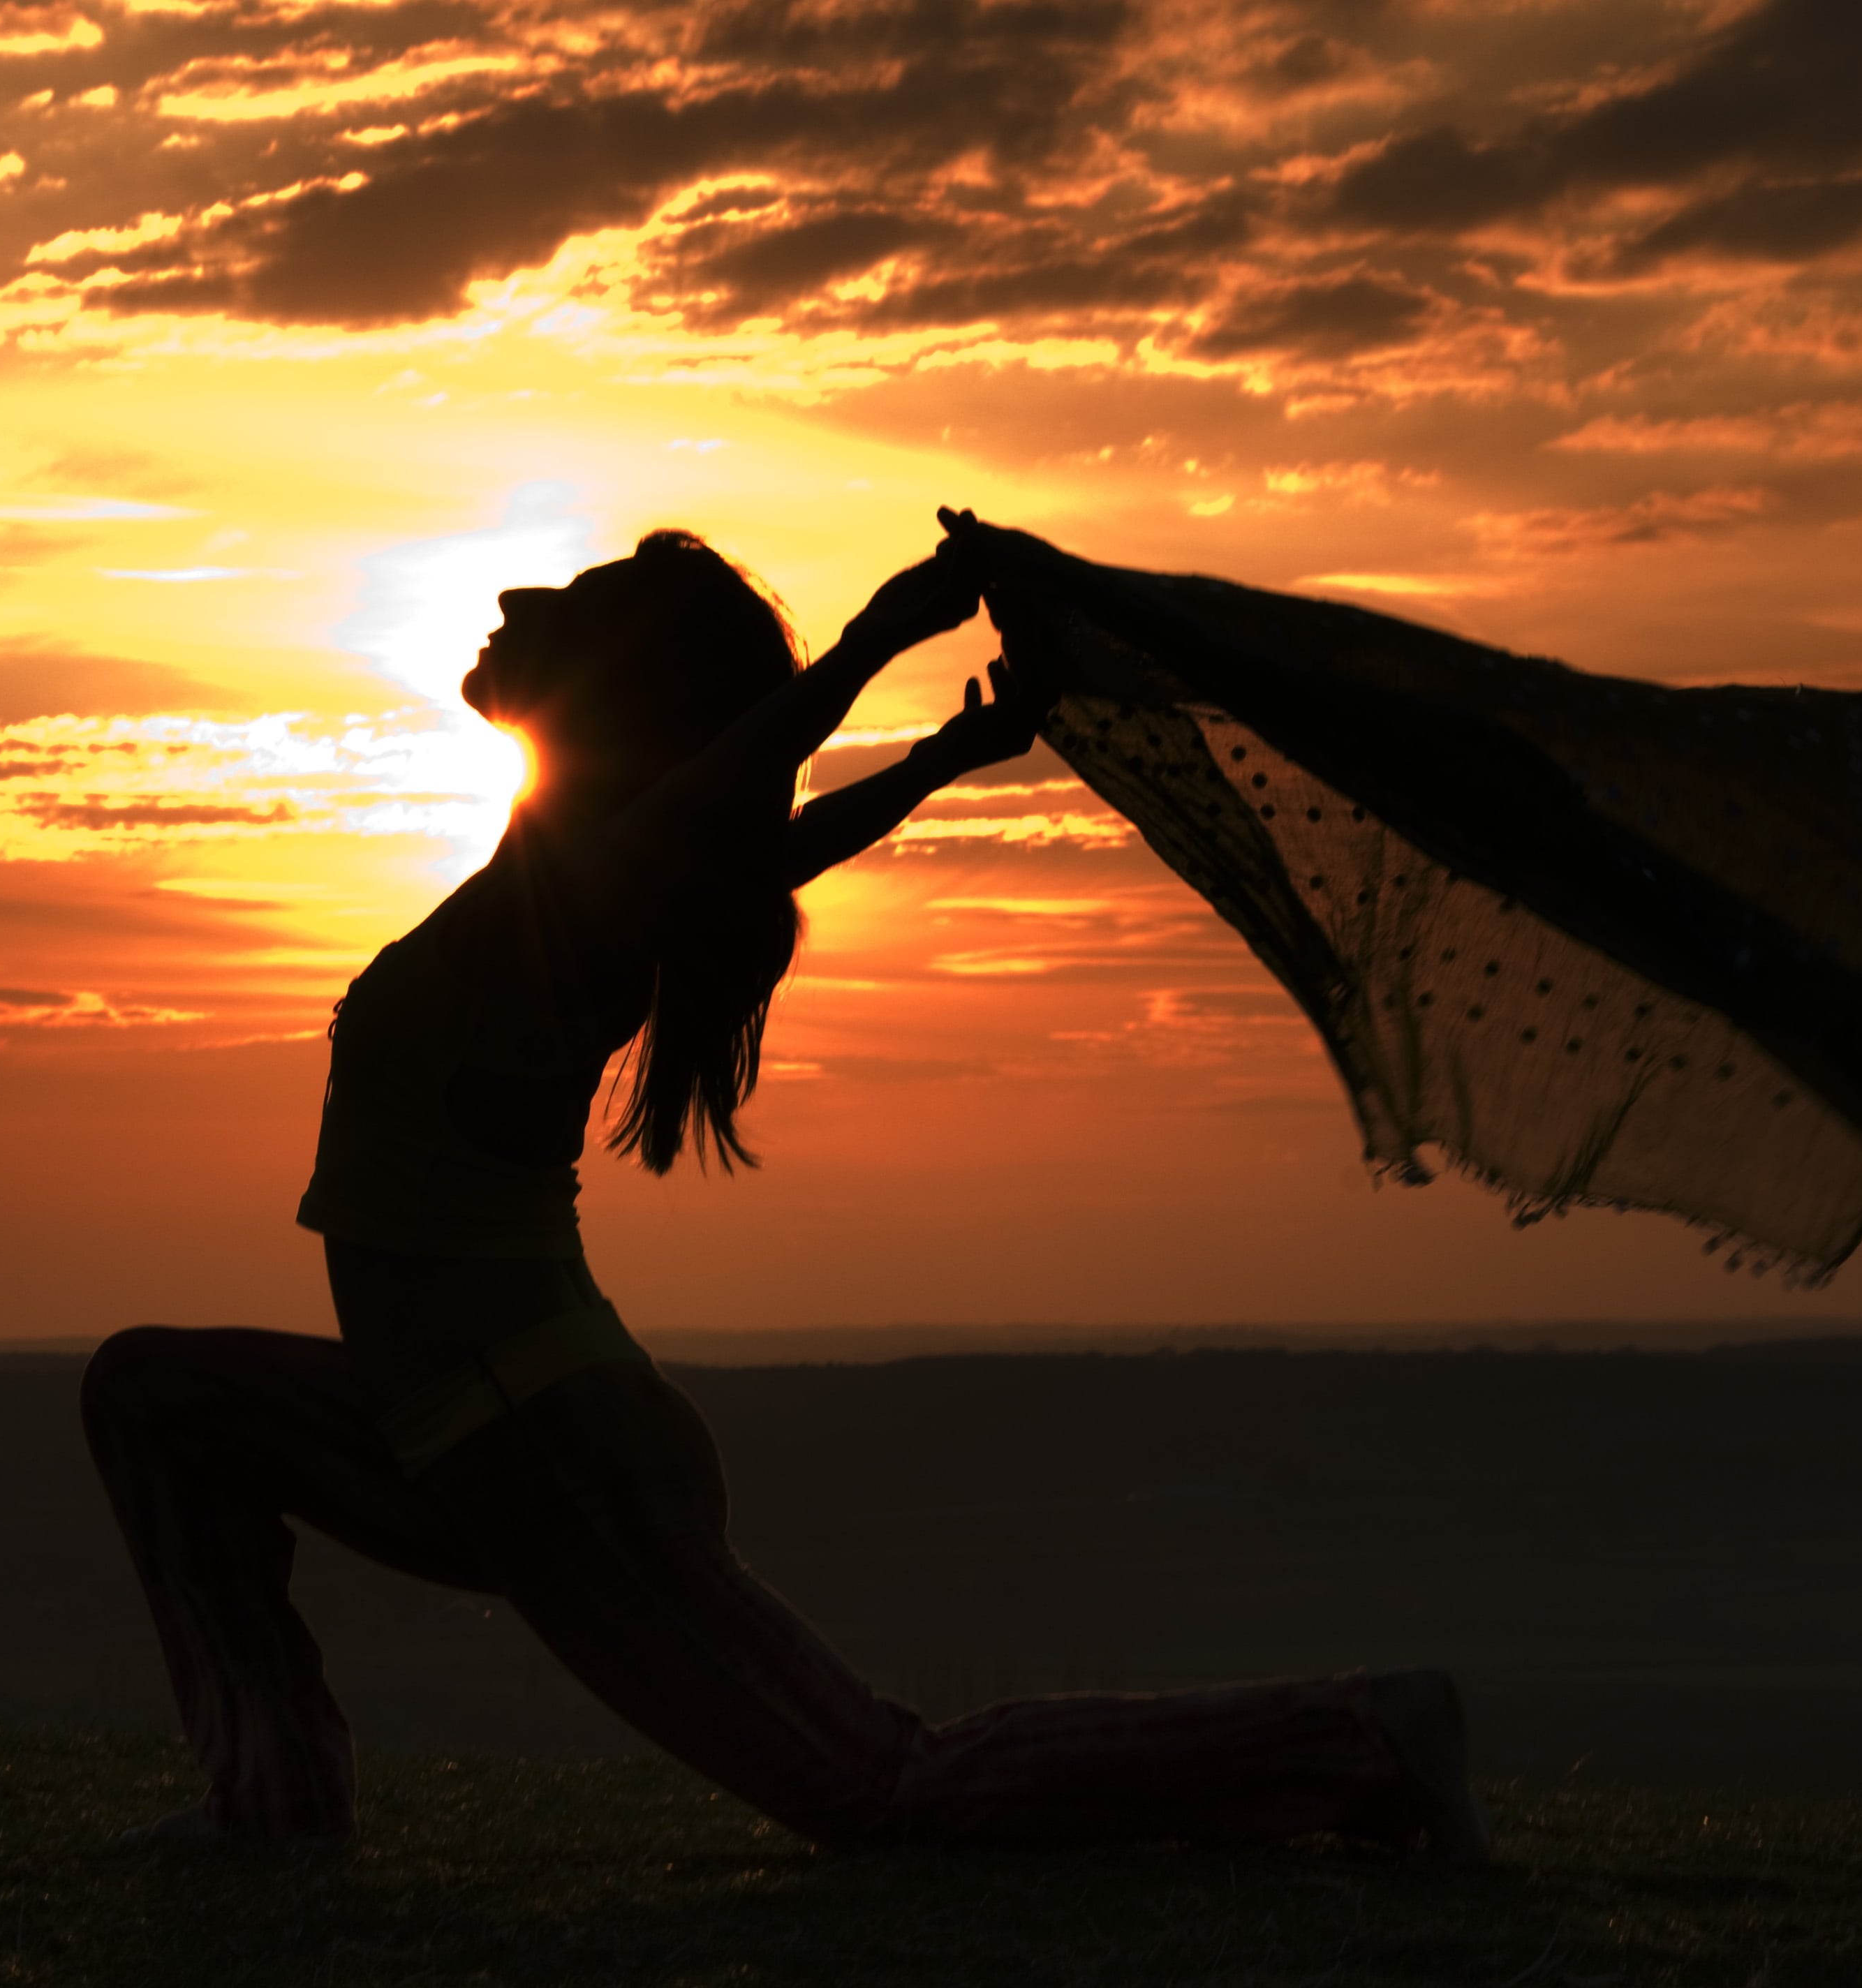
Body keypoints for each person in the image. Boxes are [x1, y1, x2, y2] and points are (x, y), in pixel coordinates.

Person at [81, 511, 1490, 1858]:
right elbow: (765, 843)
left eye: (556, 609)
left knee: (878, 1787)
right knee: (154, 1395)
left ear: (615, 694)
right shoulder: (560, 875)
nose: (509, 605)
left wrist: (873, 642)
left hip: (549, 1459)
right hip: (444, 1428)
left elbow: (726, 811)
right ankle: (270, 1798)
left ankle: (1364, 1733)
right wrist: (943, 751)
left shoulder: (587, 898)